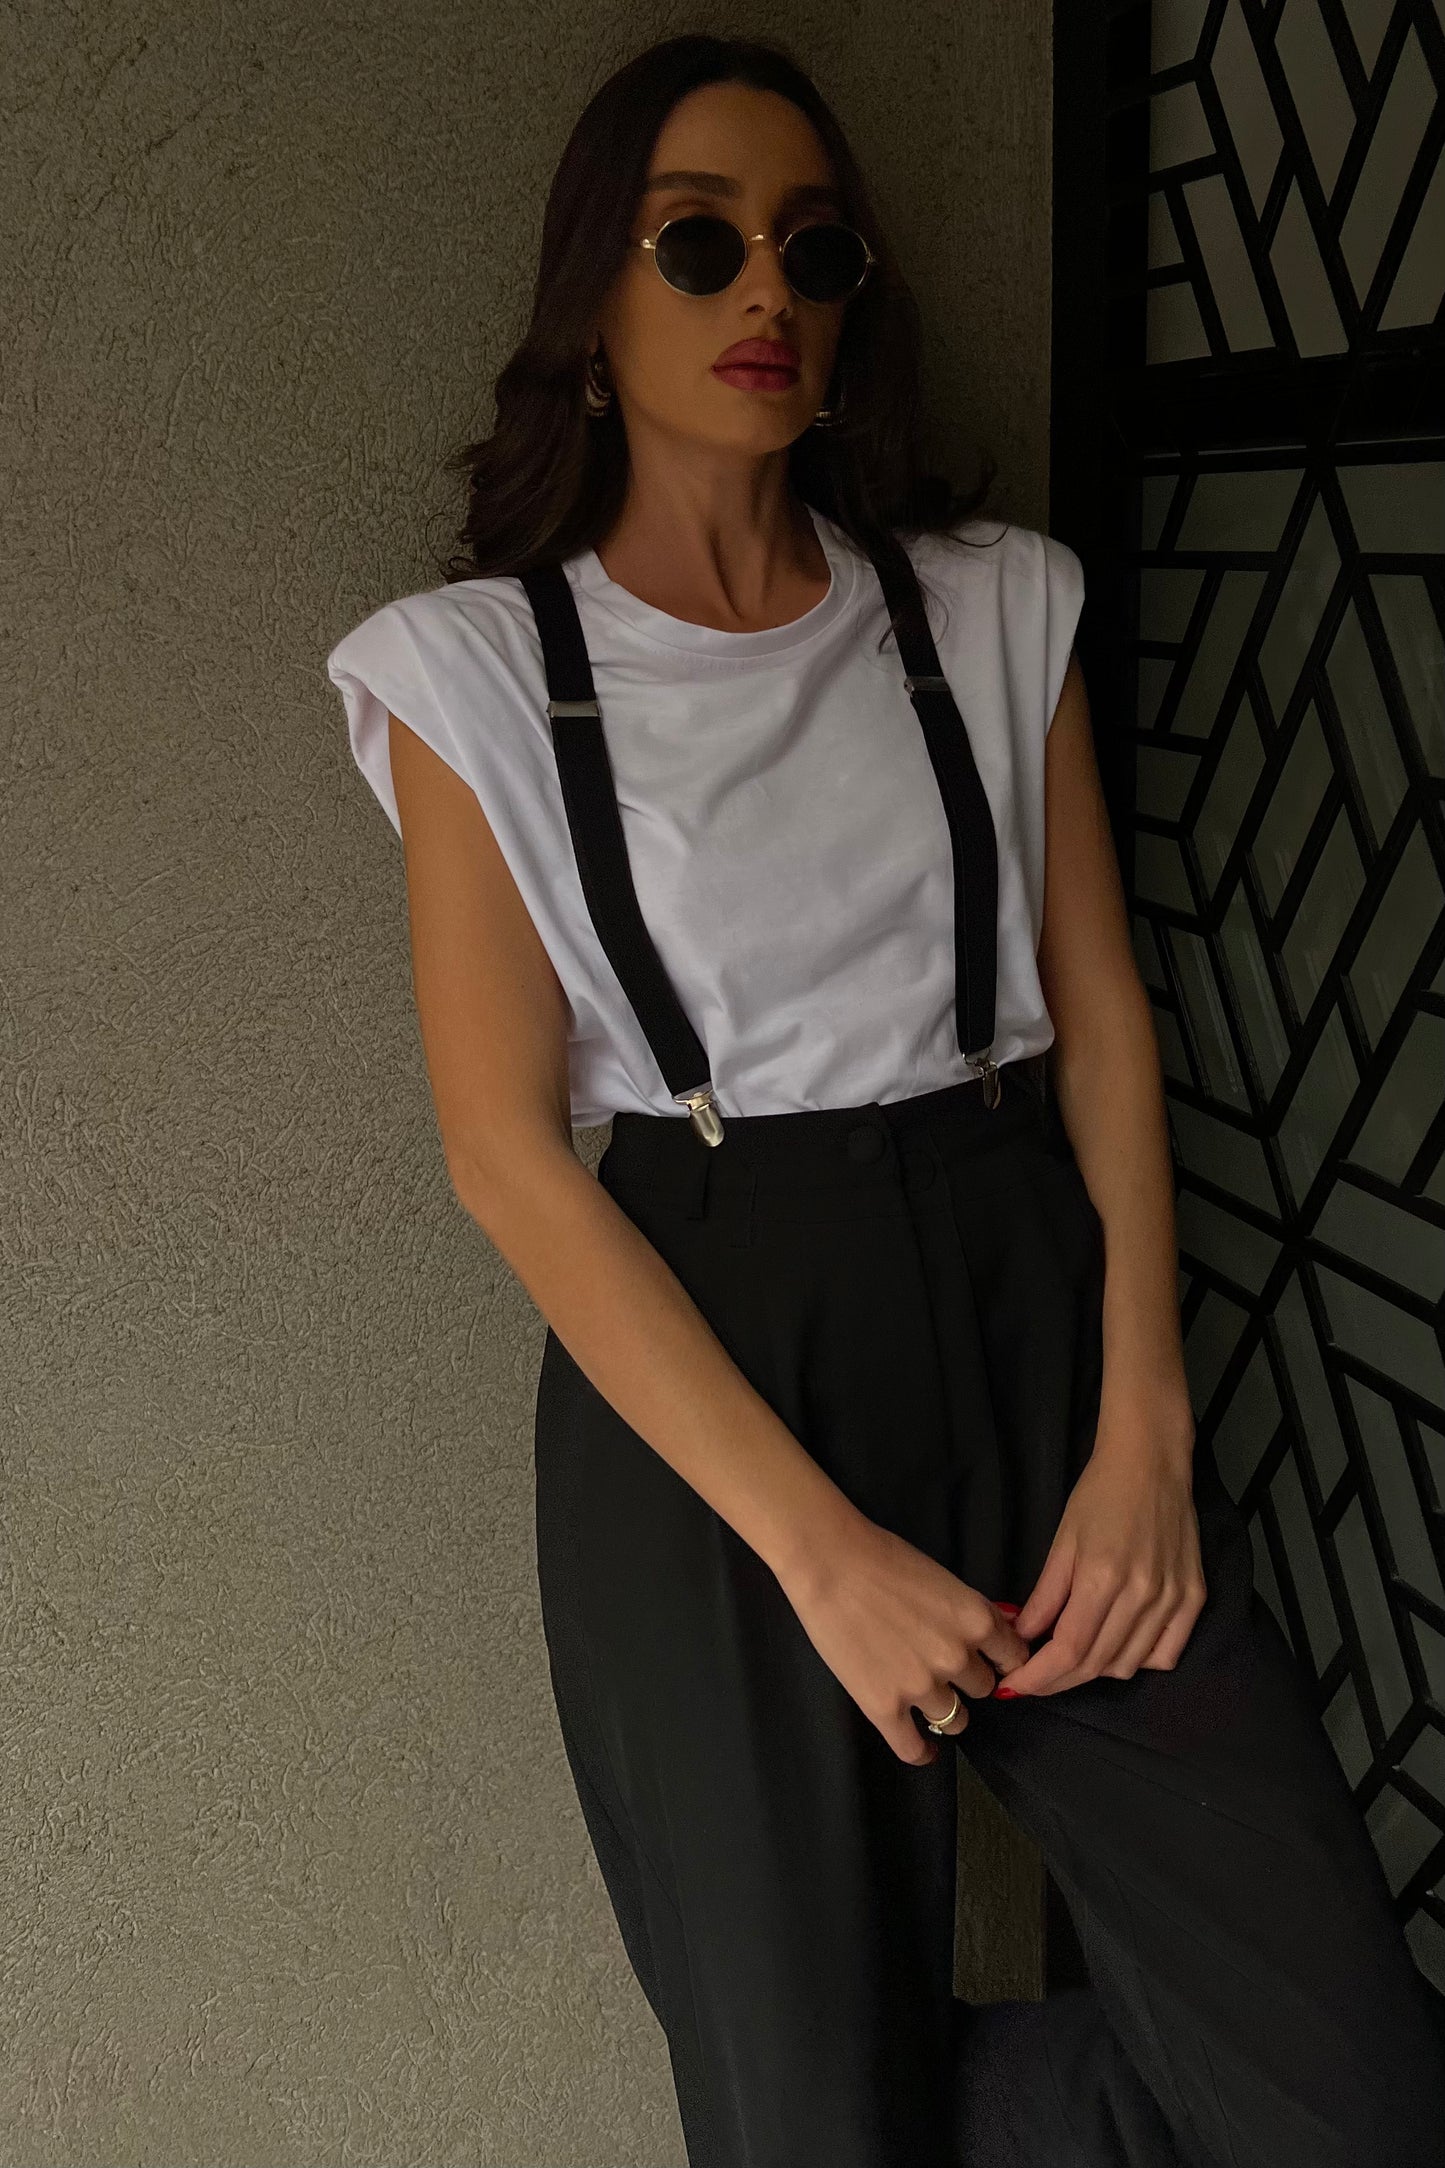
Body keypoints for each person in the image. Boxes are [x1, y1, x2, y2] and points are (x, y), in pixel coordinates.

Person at [325, 31, 1445, 2168]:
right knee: (805, 2115)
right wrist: (821, 1557)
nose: (767, 287)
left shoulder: (991, 606)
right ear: (592, 302)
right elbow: (507, 1162)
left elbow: (1101, 1019)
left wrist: (1146, 1431)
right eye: (700, 242)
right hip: (719, 1370)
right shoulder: (470, 673)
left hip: (1031, 1300)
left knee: (1350, 2091)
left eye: (812, 250)